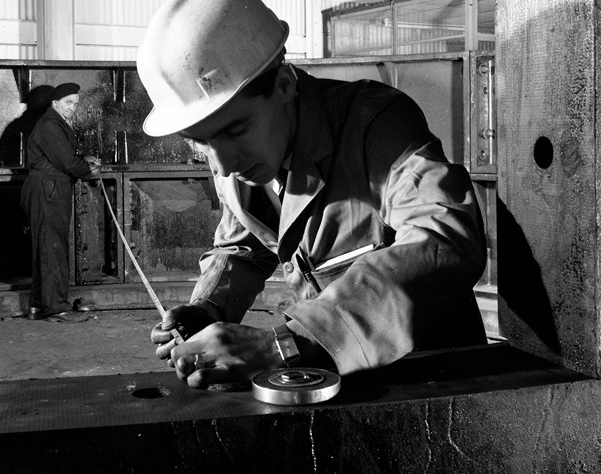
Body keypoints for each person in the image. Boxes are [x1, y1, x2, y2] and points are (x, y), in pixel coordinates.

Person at [137, 0, 487, 388]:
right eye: (199, 142)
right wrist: (208, 306)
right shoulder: (238, 158)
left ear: (284, 84)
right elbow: (243, 245)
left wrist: (286, 343)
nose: (220, 166)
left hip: (435, 376)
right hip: (338, 380)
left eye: (235, 131)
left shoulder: (377, 124)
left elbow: (443, 237)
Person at [20, 82, 103, 322]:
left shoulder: (54, 123)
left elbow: (60, 155)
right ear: (54, 103)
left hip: (48, 188)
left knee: (46, 248)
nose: (73, 107)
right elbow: (65, 162)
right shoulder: (49, 124)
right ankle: (56, 307)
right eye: (68, 102)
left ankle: (39, 305)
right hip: (48, 190)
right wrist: (88, 171)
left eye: (76, 104)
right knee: (52, 248)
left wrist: (82, 159)